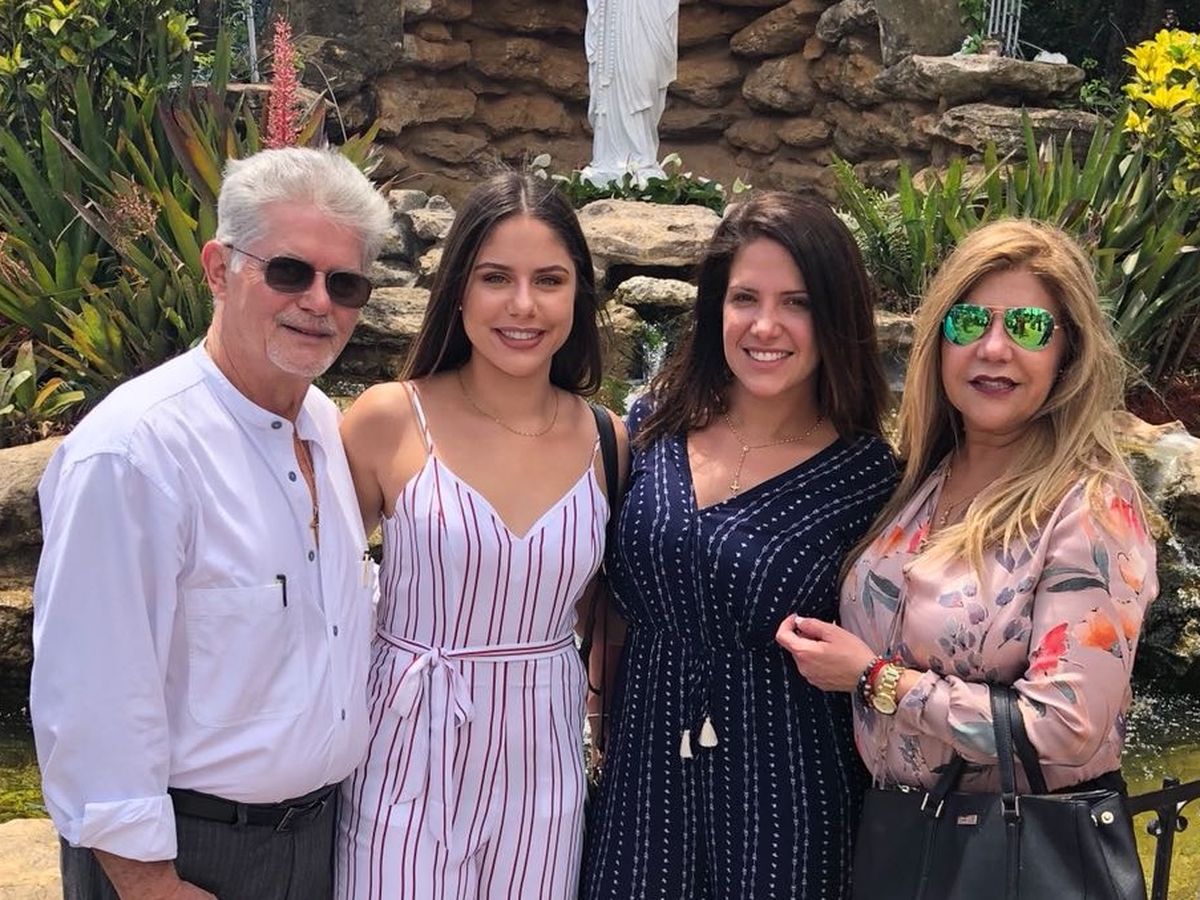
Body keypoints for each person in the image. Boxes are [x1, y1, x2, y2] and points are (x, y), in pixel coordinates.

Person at [31, 147, 393, 900]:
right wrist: (147, 881)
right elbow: (90, 690)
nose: (318, 302)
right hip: (183, 856)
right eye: (289, 271)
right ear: (219, 269)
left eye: (345, 283)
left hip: (320, 842)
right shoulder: (135, 452)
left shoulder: (323, 427)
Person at [580, 191, 898, 900]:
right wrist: (598, 715)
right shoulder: (653, 426)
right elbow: (610, 600)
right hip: (642, 775)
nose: (765, 326)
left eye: (797, 303)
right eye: (745, 298)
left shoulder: (871, 478)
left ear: (836, 316)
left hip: (785, 791)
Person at [777, 220, 1157, 811]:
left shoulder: (1089, 507)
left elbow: (1066, 728)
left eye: (1028, 327)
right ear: (940, 341)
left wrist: (877, 680)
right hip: (898, 834)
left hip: (1015, 847)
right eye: (969, 322)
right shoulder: (921, 481)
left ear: (1068, 353)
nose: (994, 348)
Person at [334, 172, 626, 898]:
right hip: (405, 748)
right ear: (458, 289)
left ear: (577, 295)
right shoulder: (388, 419)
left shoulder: (607, 440)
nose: (523, 305)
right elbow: (317, 583)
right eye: (496, 278)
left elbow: (604, 611)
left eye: (549, 280)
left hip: (545, 762)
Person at [581, 0, 679, 185]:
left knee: (642, 78)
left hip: (646, 14)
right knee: (611, 86)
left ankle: (641, 157)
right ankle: (608, 157)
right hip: (612, 14)